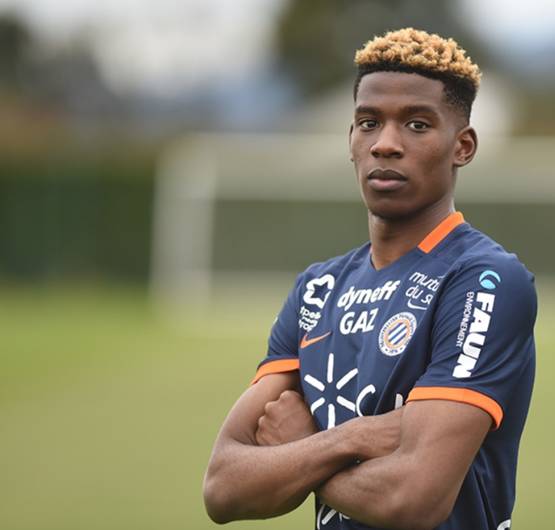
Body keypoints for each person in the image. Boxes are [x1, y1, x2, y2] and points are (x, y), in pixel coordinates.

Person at [203, 27, 537, 530]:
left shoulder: (484, 280)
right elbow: (224, 487)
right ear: (351, 141)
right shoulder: (318, 290)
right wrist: (348, 440)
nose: (385, 144)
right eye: (368, 123)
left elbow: (413, 499)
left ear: (462, 146)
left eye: (417, 125)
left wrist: (300, 453)